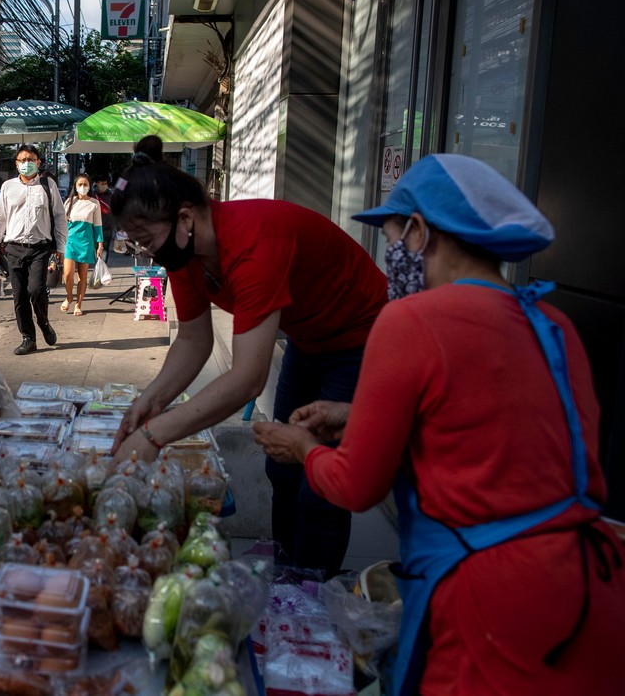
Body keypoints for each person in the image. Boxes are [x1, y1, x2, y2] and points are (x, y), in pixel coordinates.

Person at [253, 154, 625, 696]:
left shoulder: (410, 320)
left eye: (395, 236)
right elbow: (494, 421)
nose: (392, 252)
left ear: (422, 232)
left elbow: (357, 485)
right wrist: (356, 414)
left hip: (488, 601)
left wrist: (303, 447)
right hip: (590, 587)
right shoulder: (552, 324)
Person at [108, 160, 386, 575]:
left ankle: (313, 595)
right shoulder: (185, 254)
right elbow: (193, 340)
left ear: (185, 218)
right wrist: (149, 402)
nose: (146, 251)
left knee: (320, 482)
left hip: (361, 341)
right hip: (307, 340)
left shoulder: (255, 240)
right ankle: (287, 571)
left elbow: (249, 378)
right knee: (282, 464)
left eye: (146, 238)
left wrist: (154, 435)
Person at [0, 145, 67, 355]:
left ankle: (44, 322)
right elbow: (0, 218)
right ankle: (28, 338)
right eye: (22, 160)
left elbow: (59, 216)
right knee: (19, 296)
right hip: (13, 248)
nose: (26, 163)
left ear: (38, 162)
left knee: (37, 290)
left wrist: (61, 246)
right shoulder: (7, 187)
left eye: (30, 159)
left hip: (40, 248)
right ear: (16, 163)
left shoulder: (48, 185)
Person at [60, 173, 103, 316]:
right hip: (70, 241)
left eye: (85, 184)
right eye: (80, 184)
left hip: (86, 242)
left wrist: (100, 244)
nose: (83, 187)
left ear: (90, 187)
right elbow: (62, 224)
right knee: (67, 274)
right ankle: (69, 297)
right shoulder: (69, 202)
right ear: (75, 186)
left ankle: (78, 304)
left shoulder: (94, 203)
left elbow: (98, 226)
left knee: (82, 276)